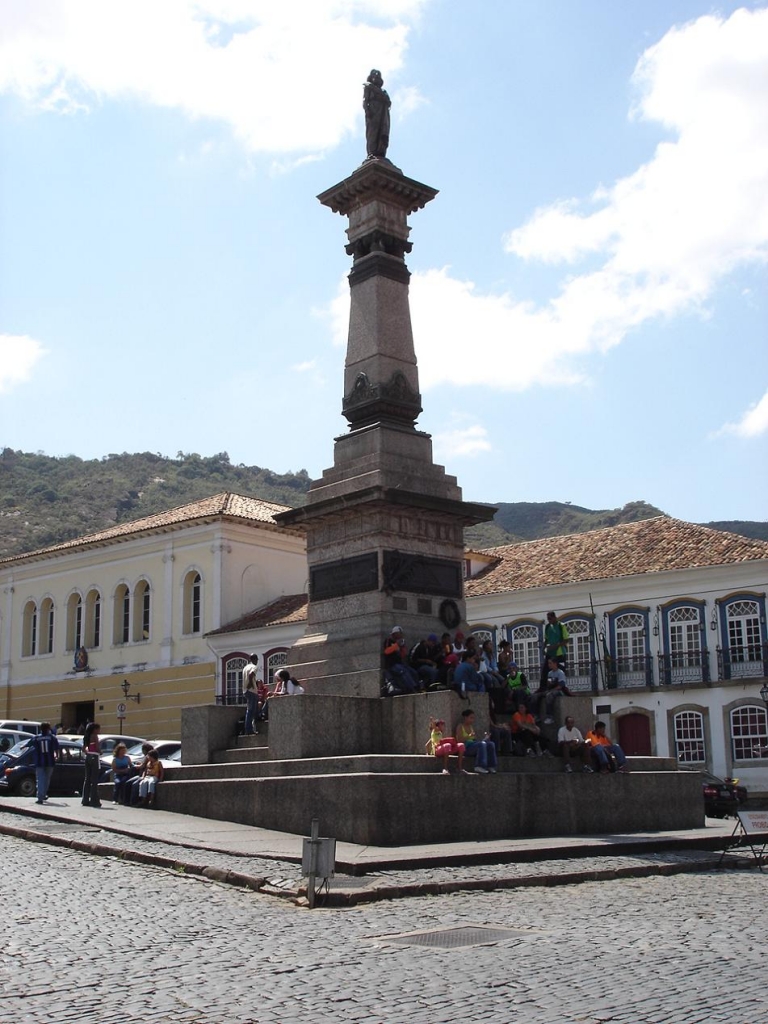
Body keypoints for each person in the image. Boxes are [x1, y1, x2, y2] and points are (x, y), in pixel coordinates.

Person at [455, 709, 497, 774]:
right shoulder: (460, 726)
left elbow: (474, 741)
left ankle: (491, 766)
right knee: (481, 744)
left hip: (473, 745)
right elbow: (459, 740)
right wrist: (469, 736)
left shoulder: (471, 727)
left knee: (490, 744)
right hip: (465, 748)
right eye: (471, 718)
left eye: (473, 718)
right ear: (465, 717)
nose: (472, 720)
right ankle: (479, 766)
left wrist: (485, 739)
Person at [383, 626, 421, 694]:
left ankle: (418, 687)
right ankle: (411, 688)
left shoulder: (400, 642)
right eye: (399, 633)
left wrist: (402, 647)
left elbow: (403, 655)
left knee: (413, 672)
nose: (400, 635)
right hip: (392, 665)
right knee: (403, 671)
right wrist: (396, 645)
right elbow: (386, 651)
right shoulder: (388, 641)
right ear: (394, 634)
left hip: (400, 663)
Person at [363, 69, 391, 160]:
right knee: (373, 132)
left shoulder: (384, 91)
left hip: (383, 113)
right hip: (373, 110)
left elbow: (389, 102)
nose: (376, 78)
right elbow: (365, 101)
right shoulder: (368, 87)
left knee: (383, 132)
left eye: (378, 77)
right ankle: (372, 152)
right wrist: (368, 111)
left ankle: (381, 152)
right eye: (374, 76)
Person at [534, 658, 571, 723]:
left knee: (549, 696)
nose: (549, 665)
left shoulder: (560, 673)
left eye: (550, 663)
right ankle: (536, 715)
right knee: (537, 696)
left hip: (560, 691)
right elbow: (549, 684)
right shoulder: (550, 673)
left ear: (555, 664)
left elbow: (561, 685)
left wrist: (551, 690)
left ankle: (550, 716)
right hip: (551, 690)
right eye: (548, 663)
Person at [30, 722, 59, 804]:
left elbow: (29, 744)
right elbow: (56, 748)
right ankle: (43, 794)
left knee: (40, 779)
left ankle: (40, 797)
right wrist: (57, 756)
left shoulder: (36, 738)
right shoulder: (52, 737)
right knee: (47, 779)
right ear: (48, 728)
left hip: (39, 761)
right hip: (50, 761)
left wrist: (23, 747)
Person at [541, 611, 569, 685]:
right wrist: (544, 648)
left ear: (554, 617)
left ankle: (562, 687)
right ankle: (543, 688)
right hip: (550, 653)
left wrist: (556, 646)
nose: (549, 620)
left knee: (560, 671)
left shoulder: (561, 626)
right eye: (548, 619)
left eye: (550, 618)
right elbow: (546, 639)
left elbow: (566, 639)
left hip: (560, 653)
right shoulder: (547, 627)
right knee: (545, 671)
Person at [81, 722, 102, 808]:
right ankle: (94, 800)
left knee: (87, 779)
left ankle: (85, 799)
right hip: (94, 756)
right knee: (94, 780)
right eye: (98, 729)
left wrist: (88, 752)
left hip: (88, 756)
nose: (99, 731)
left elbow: (84, 749)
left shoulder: (86, 737)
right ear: (94, 729)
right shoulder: (95, 736)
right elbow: (97, 748)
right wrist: (100, 752)